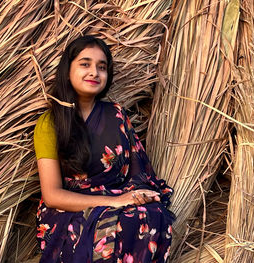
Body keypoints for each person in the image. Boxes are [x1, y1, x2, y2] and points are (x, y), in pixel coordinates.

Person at [34, 35, 175, 263]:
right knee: (121, 223)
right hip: (69, 208)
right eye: (85, 64)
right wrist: (114, 202)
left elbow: (138, 174)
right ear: (67, 70)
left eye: (102, 67)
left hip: (117, 196)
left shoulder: (116, 114)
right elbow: (52, 195)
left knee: (152, 214)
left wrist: (135, 196)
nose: (94, 72)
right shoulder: (50, 123)